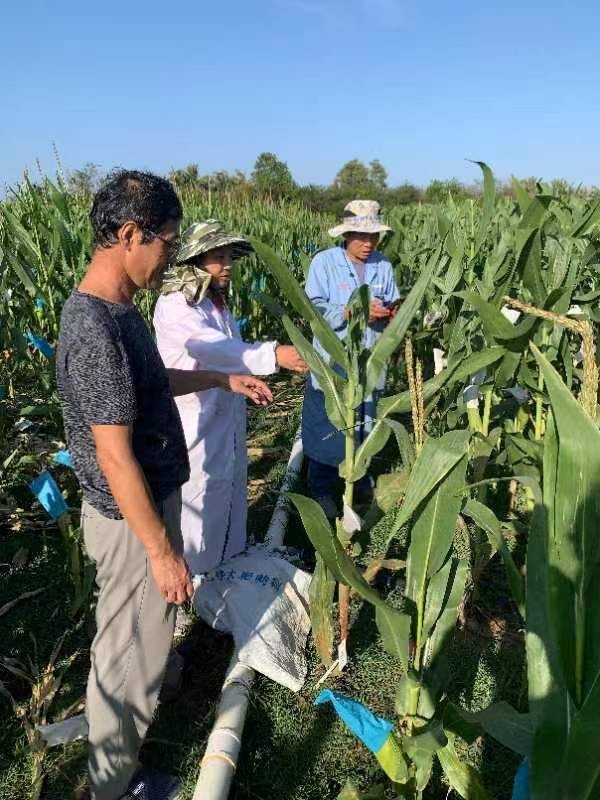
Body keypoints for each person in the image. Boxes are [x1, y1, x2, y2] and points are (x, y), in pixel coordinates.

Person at [56, 171, 272, 800]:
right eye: (168, 244)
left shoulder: (119, 313)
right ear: (129, 235)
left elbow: (149, 389)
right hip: (132, 519)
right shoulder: (95, 328)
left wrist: (215, 381)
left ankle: (114, 749)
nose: (172, 257)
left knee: (130, 644)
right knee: (131, 656)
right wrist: (162, 553)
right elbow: (115, 457)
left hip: (146, 504)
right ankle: (114, 785)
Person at [154, 220, 307, 576]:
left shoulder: (215, 303)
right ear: (195, 261)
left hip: (223, 416)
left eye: (228, 257)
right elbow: (213, 348)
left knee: (229, 489)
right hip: (193, 424)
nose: (227, 265)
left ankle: (227, 565)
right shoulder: (178, 305)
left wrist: (243, 377)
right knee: (199, 498)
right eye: (217, 257)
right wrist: (273, 355)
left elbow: (226, 353)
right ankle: (194, 582)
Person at [302, 200, 399, 517]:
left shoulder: (383, 265)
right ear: (346, 234)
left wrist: (390, 313)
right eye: (361, 236)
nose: (368, 243)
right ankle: (321, 491)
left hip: (369, 360)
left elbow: (390, 301)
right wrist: (352, 311)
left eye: (373, 237)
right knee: (327, 425)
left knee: (365, 424)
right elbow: (313, 308)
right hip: (333, 363)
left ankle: (359, 485)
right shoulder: (324, 263)